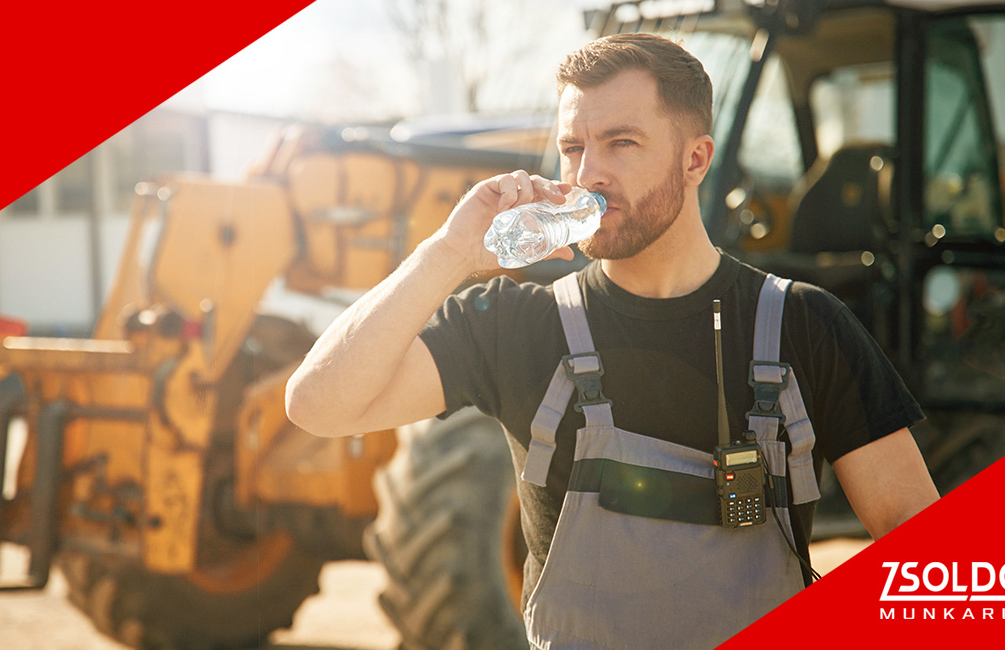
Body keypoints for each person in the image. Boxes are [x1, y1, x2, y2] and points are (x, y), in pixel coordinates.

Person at [287, 33, 938, 649]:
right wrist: (451, 252)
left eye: (621, 142)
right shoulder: (515, 325)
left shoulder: (805, 326)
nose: (588, 173)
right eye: (573, 147)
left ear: (695, 160)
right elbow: (318, 406)